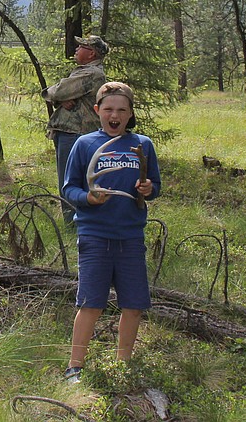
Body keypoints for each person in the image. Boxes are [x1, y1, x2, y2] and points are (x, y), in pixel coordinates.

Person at [60, 81, 161, 383]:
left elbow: (154, 186)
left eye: (121, 110)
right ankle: (74, 367)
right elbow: (69, 188)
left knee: (133, 305)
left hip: (130, 236)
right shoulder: (85, 144)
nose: (114, 115)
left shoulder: (142, 144)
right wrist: (87, 199)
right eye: (108, 109)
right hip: (94, 235)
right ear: (97, 111)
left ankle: (123, 365)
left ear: (130, 114)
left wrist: (148, 188)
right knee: (90, 303)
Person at [41, 35, 109, 223]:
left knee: (70, 180)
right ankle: (77, 221)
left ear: (92, 53)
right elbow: (63, 94)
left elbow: (58, 90)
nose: (76, 50)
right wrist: (61, 100)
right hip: (71, 133)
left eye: (81, 47)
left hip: (76, 133)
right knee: (73, 178)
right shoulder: (86, 71)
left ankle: (74, 223)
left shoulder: (90, 73)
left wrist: (55, 96)